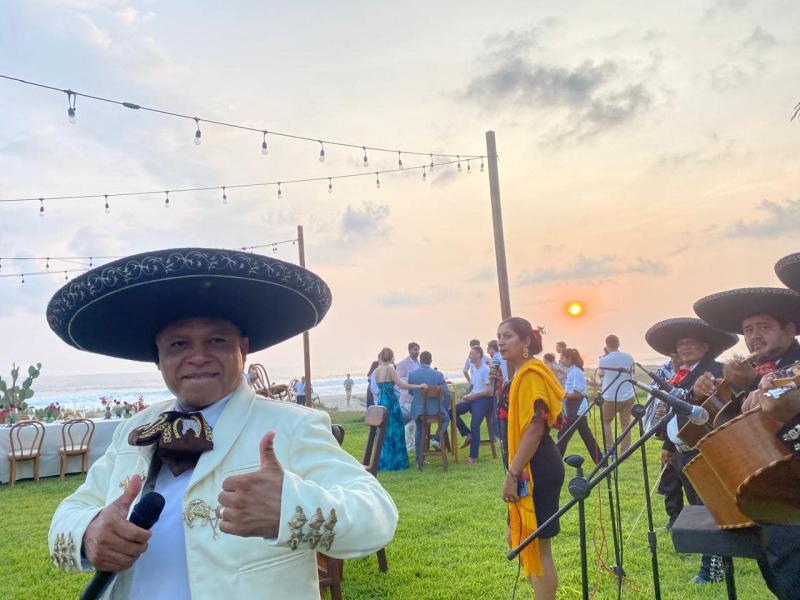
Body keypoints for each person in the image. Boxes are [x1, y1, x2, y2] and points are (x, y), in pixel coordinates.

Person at [45, 247, 398, 599]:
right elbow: (70, 510)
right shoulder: (133, 428)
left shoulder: (291, 426)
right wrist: (89, 532)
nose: (198, 357)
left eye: (217, 340)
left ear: (243, 350)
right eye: (179, 344)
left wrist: (290, 507)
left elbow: (377, 515)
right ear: (159, 356)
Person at [694, 275, 800, 600]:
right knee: (778, 576)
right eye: (748, 329)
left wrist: (750, 384)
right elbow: (728, 428)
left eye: (764, 326)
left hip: (791, 491)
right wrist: (711, 396)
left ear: (790, 329)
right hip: (766, 490)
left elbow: (780, 398)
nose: (754, 336)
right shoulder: (753, 371)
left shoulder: (794, 367)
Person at [644, 317, 738, 584]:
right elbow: (676, 415)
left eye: (690, 342)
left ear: (705, 346)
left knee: (709, 508)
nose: (683, 347)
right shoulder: (680, 376)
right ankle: (713, 562)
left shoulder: (715, 371)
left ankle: (714, 568)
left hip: (708, 449)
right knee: (698, 506)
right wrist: (668, 445)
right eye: (680, 343)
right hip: (684, 450)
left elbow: (720, 408)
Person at [497, 317, 565, 599]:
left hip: (535, 468)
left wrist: (512, 474)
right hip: (526, 465)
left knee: (536, 545)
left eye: (509, 336)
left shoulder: (532, 374)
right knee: (522, 540)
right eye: (499, 336)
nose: (501, 341)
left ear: (526, 342)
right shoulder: (519, 376)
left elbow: (535, 429)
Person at [373, 347, 427, 471]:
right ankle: (397, 462)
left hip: (382, 402)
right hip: (391, 403)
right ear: (392, 357)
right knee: (396, 431)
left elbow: (380, 388)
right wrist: (418, 386)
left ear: (381, 356)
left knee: (385, 432)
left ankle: (384, 462)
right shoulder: (391, 368)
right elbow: (401, 385)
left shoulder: (377, 370)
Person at [555, 348, 602, 464]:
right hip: (574, 408)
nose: (560, 360)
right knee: (586, 436)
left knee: (563, 435)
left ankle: (555, 462)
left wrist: (562, 394)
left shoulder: (576, 372)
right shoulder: (572, 371)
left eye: (562, 358)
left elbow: (577, 394)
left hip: (577, 407)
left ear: (569, 359)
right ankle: (600, 461)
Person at [408, 351, 451, 466]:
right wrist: (444, 408)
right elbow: (447, 394)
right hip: (435, 411)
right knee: (446, 418)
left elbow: (411, 392)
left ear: (420, 361)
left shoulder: (412, 375)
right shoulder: (437, 375)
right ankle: (436, 439)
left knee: (419, 431)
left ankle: (418, 461)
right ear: (431, 361)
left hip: (418, 410)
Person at [597, 334, 636, 452]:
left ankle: (609, 449)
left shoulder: (603, 360)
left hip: (611, 396)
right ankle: (625, 450)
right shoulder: (629, 357)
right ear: (618, 344)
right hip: (629, 394)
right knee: (626, 424)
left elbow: (601, 375)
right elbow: (632, 372)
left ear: (607, 345)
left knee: (606, 421)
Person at [456, 346, 494, 464]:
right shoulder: (474, 368)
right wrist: (467, 394)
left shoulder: (485, 370)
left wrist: (473, 396)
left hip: (484, 400)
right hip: (474, 398)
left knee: (475, 424)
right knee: (451, 411)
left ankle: (473, 457)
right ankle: (467, 434)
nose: (469, 356)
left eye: (471, 354)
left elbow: (489, 390)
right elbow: (474, 386)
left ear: (478, 355)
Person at [396, 342, 422, 452]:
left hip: (418, 397)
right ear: (409, 350)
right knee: (408, 424)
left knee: (416, 424)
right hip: (407, 396)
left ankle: (415, 445)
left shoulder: (420, 363)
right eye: (415, 349)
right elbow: (399, 379)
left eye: (418, 349)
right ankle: (408, 446)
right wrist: (414, 381)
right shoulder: (402, 364)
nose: (417, 352)